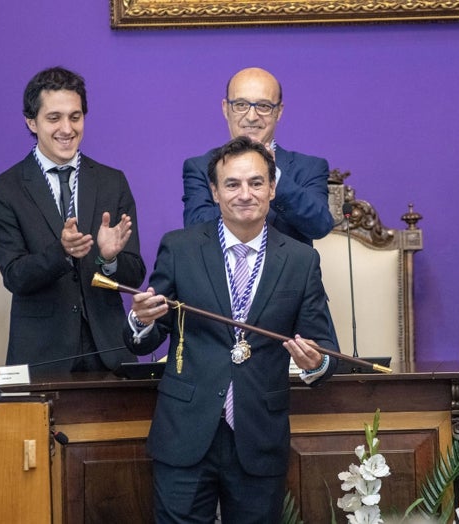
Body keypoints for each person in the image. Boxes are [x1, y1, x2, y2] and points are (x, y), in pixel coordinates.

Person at [126, 136, 339, 522]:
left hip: (259, 435)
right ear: (214, 191)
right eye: (233, 184)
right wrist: (142, 320)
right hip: (185, 433)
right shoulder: (180, 248)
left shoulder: (301, 260)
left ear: (272, 188)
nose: (245, 194)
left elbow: (324, 352)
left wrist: (315, 362)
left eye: (256, 183)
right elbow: (146, 340)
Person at [0, 67, 146, 374]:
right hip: (42, 357)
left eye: (75, 116)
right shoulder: (2, 191)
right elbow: (16, 276)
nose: (67, 128)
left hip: (109, 352)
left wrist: (109, 259)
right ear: (32, 121)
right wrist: (62, 253)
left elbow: (134, 273)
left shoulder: (113, 182)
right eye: (54, 118)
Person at [182, 67, 333, 246]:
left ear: (279, 111)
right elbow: (195, 229)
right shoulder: (200, 167)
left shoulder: (309, 168)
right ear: (225, 109)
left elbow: (320, 225)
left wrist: (272, 175)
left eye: (263, 106)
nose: (252, 116)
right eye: (241, 105)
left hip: (286, 273)